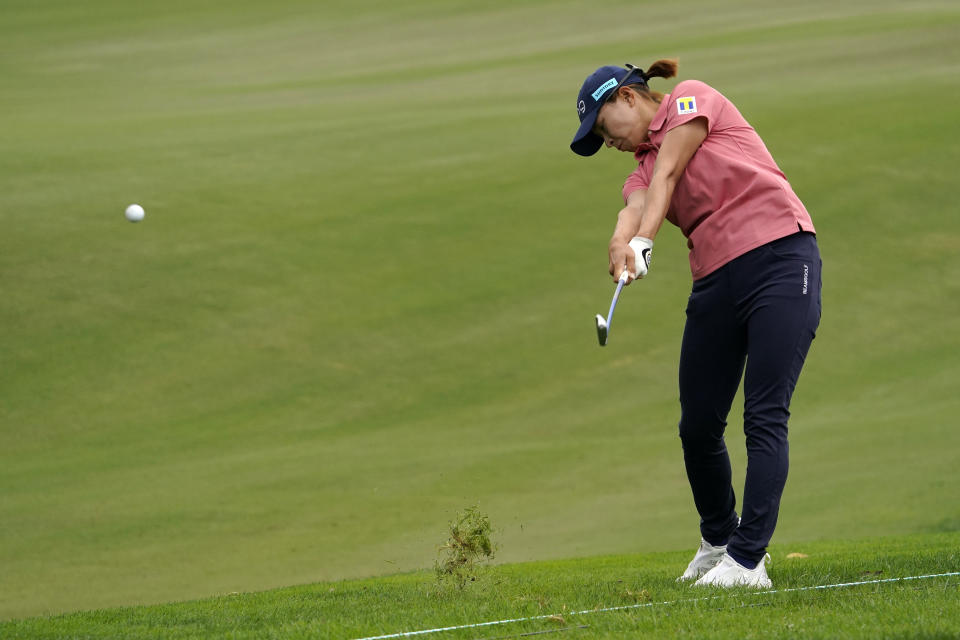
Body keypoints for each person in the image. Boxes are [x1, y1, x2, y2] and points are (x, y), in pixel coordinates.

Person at [570, 60, 822, 588]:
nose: (604, 139)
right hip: (716, 281)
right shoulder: (639, 166)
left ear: (629, 99)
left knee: (763, 416)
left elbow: (667, 173)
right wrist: (622, 243)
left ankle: (749, 562)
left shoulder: (689, 99)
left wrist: (647, 239)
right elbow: (635, 202)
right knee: (698, 425)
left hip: (780, 258)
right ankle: (719, 541)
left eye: (601, 125)